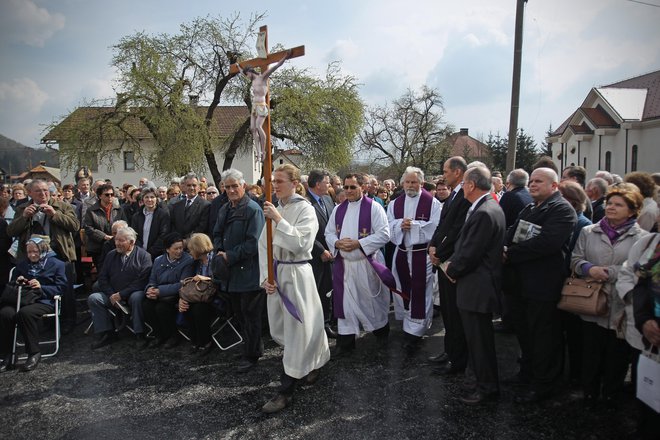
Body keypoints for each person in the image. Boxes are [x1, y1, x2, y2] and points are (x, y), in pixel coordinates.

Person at [260, 164, 330, 413]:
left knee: (301, 327)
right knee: (290, 329)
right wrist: (266, 277)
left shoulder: (305, 209)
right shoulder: (276, 208)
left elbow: (302, 243)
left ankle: (285, 390)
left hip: (298, 274)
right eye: (273, 181)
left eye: (279, 181)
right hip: (278, 275)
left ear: (295, 183)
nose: (274, 185)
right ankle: (315, 361)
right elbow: (264, 247)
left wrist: (278, 221)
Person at [503, 168, 577, 403]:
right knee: (525, 332)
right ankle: (527, 373)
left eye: (539, 181)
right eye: (532, 181)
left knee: (544, 336)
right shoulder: (530, 207)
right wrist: (502, 246)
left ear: (554, 186)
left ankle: (544, 384)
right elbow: (512, 232)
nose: (533, 185)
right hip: (520, 283)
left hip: (543, 284)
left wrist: (510, 254)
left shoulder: (562, 210)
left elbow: (547, 243)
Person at [571, 185, 647, 404]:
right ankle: (590, 392)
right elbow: (575, 259)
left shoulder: (641, 238)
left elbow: (639, 270)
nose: (611, 208)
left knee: (617, 353)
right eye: (610, 203)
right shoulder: (589, 231)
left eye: (618, 205)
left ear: (632, 211)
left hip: (622, 304)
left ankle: (611, 394)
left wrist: (610, 272)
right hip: (592, 300)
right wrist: (588, 269)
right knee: (591, 350)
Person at [442, 166, 505, 404]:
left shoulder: (484, 212)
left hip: (477, 287)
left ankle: (486, 388)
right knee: (477, 340)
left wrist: (452, 269)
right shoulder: (486, 206)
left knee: (480, 342)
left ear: (471, 185)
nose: (462, 188)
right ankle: (477, 380)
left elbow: (471, 251)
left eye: (464, 183)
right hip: (477, 285)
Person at [325, 173, 391, 357]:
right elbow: (328, 232)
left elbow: (385, 234)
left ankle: (381, 333)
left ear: (363, 187)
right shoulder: (338, 209)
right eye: (345, 187)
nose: (348, 191)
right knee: (345, 303)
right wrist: (337, 243)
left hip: (366, 264)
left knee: (371, 301)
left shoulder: (374, 208)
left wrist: (359, 244)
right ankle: (346, 343)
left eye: (352, 187)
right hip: (344, 265)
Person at [7, 179, 79, 332]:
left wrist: (55, 215)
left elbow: (75, 226)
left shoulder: (62, 206)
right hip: (33, 257)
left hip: (59, 254)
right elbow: (11, 231)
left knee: (65, 289)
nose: (43, 193)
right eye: (38, 191)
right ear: (30, 193)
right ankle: (47, 322)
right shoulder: (22, 209)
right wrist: (24, 217)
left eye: (46, 190)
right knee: (40, 287)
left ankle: (68, 320)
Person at [213, 168, 265, 372]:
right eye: (228, 187)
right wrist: (219, 251)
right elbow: (216, 233)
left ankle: (252, 355)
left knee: (250, 315)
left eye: (236, 185)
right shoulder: (225, 209)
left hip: (249, 272)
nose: (232, 190)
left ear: (243, 186)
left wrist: (230, 255)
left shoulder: (253, 209)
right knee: (240, 314)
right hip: (231, 273)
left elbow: (254, 243)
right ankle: (250, 348)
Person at [387, 167, 441, 352]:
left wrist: (415, 225)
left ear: (422, 183)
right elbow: (388, 225)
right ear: (402, 183)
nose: (410, 185)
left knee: (421, 291)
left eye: (414, 182)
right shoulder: (395, 203)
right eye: (408, 182)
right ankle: (407, 323)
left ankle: (415, 331)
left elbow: (436, 227)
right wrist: (399, 225)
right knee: (403, 288)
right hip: (402, 252)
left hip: (421, 254)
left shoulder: (432, 203)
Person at [428, 157, 472, 375]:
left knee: (455, 315)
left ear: (457, 172)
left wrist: (440, 254)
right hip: (442, 260)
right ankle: (449, 350)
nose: (443, 175)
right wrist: (433, 245)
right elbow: (442, 226)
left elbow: (457, 231)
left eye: (445, 171)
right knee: (447, 312)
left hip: (452, 263)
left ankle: (457, 359)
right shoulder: (453, 195)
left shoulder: (466, 196)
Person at [0, 236, 67, 372]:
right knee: (5, 313)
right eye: (29, 252)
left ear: (43, 250)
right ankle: (8, 354)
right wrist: (19, 281)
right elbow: (11, 284)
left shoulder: (57, 264)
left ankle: (34, 352)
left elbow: (61, 288)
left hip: (43, 299)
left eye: (35, 251)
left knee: (25, 313)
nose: (32, 255)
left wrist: (41, 286)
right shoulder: (22, 264)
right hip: (22, 298)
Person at [620, 228, 660, 439]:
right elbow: (628, 276)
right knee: (646, 394)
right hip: (645, 336)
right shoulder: (648, 243)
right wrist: (644, 319)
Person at [87, 227, 152, 349]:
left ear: (131, 242)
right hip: (113, 294)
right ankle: (107, 333)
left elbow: (142, 281)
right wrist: (112, 295)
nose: (117, 243)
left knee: (137, 297)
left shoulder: (144, 256)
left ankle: (139, 334)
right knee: (94, 298)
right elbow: (103, 277)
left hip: (132, 294)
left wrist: (121, 294)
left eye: (121, 241)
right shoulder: (111, 255)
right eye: (116, 240)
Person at [236, 50, 291, 161]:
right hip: (254, 107)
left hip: (261, 105)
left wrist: (285, 57)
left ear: (251, 72)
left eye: (248, 74)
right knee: (252, 129)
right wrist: (238, 66)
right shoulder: (252, 79)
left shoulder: (263, 77)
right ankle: (258, 153)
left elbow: (275, 67)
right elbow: (242, 73)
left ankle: (264, 151)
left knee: (258, 126)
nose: (247, 76)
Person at [142, 232, 194, 348]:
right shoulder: (158, 260)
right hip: (158, 293)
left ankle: (173, 335)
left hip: (176, 295)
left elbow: (183, 284)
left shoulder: (188, 260)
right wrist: (150, 289)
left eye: (181, 248)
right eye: (176, 248)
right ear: (167, 249)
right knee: (146, 305)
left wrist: (160, 291)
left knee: (162, 308)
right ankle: (159, 335)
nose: (179, 251)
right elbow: (152, 279)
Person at [305, 169, 337, 338]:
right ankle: (313, 327)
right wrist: (320, 250)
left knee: (327, 290)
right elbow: (306, 232)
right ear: (317, 184)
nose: (329, 185)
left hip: (330, 254)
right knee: (314, 292)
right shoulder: (305, 202)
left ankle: (326, 324)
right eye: (327, 182)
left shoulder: (327, 199)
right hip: (313, 256)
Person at [178, 233, 217, 356]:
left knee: (199, 309)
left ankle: (206, 342)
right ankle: (195, 341)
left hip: (215, 296)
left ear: (198, 248)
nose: (189, 252)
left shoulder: (216, 259)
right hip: (200, 295)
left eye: (191, 249)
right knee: (187, 306)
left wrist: (206, 278)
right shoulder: (196, 263)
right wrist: (182, 298)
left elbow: (223, 281)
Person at [83, 183, 124, 269]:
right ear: (100, 196)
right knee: (102, 272)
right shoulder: (91, 211)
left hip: (115, 246)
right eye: (107, 194)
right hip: (98, 248)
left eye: (112, 194)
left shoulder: (118, 209)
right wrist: (104, 236)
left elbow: (125, 225)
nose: (110, 196)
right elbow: (88, 228)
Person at [131, 186, 170, 261]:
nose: (149, 200)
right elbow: (134, 234)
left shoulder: (163, 215)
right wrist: (141, 251)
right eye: (146, 197)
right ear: (143, 199)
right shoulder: (136, 216)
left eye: (152, 197)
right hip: (139, 254)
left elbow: (163, 235)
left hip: (157, 255)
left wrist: (150, 252)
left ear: (156, 199)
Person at [170, 174, 210, 240]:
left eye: (194, 185)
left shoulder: (205, 205)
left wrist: (187, 240)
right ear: (184, 187)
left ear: (198, 187)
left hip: (195, 244)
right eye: (188, 185)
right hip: (178, 244)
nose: (191, 188)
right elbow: (173, 225)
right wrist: (177, 241)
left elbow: (201, 227)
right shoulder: (177, 205)